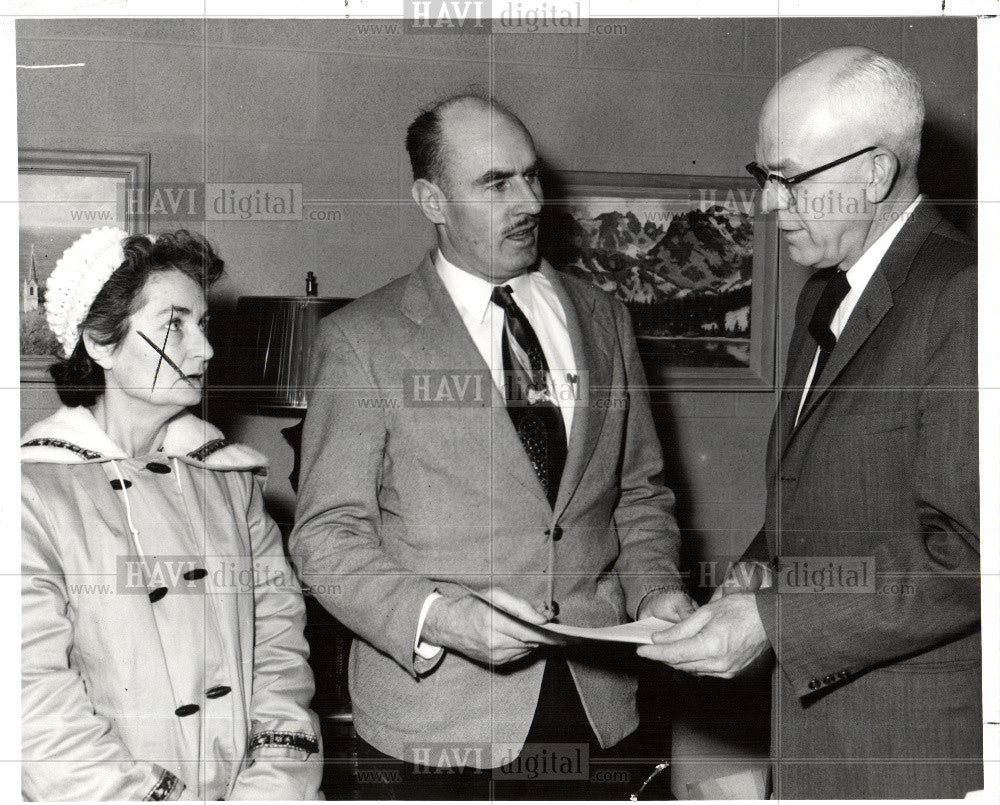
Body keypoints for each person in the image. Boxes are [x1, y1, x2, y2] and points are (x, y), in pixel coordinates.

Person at [290, 93, 693, 799]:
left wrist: (658, 591)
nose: (529, 201)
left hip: (601, 716)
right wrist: (441, 619)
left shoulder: (602, 317)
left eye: (532, 177)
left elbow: (638, 492)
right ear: (432, 200)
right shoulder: (361, 340)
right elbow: (326, 538)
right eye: (496, 183)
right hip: (437, 728)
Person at [638, 47, 981, 798]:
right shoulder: (820, 298)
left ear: (876, 172)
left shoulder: (965, 298)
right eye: (763, 176)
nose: (766, 204)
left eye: (789, 178)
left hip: (912, 755)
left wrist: (772, 620)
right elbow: (822, 496)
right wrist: (757, 571)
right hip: (816, 747)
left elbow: (972, 558)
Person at [21, 227, 322, 801]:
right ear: (101, 343)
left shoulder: (232, 482)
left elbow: (281, 657)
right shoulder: (31, 496)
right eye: (173, 324)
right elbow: (33, 706)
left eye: (202, 324)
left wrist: (272, 787)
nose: (205, 348)